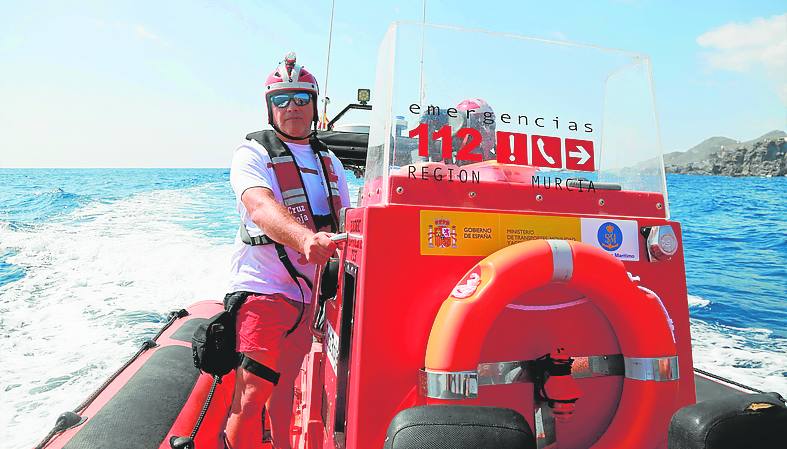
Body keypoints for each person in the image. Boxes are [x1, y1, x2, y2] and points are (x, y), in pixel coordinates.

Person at [224, 52, 351, 449]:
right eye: (281, 99)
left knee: (287, 391)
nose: (291, 107)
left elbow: (348, 221)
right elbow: (260, 207)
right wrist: (304, 240)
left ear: (314, 106)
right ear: (269, 108)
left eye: (300, 98)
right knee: (251, 397)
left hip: (308, 298)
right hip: (263, 291)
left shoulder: (330, 162)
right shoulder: (252, 154)